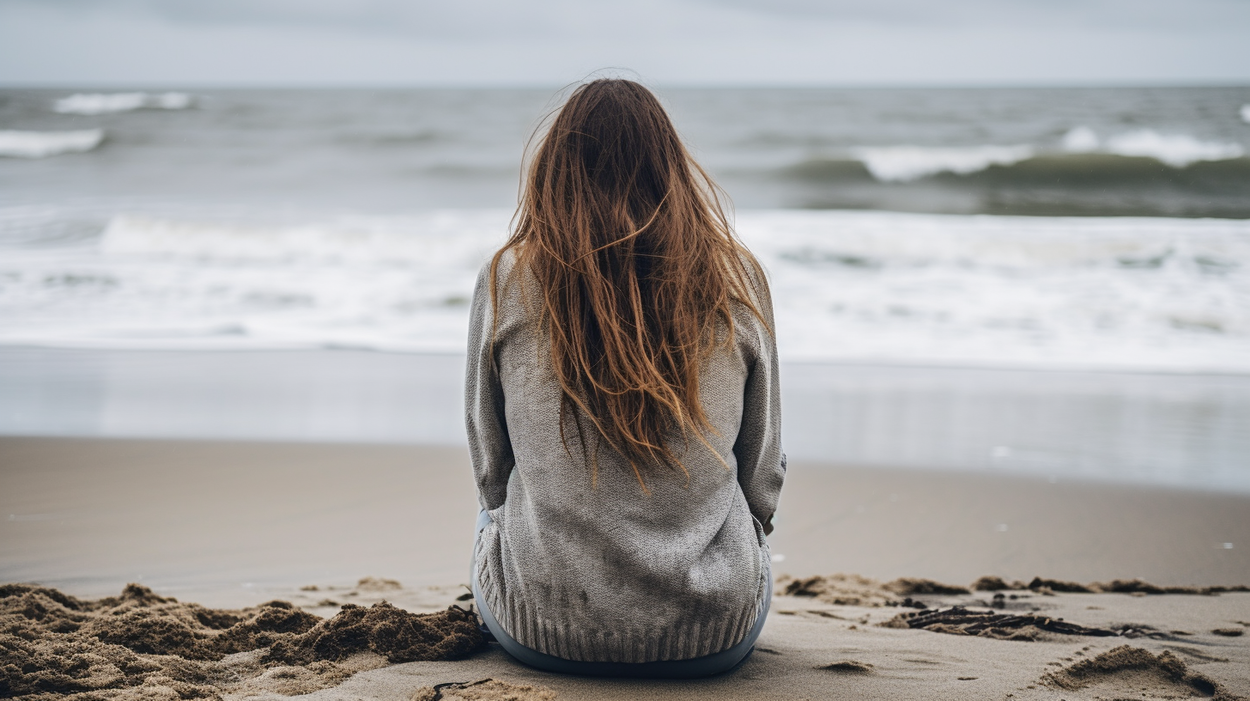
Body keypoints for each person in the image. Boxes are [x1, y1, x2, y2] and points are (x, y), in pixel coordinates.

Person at [465, 78, 785, 678]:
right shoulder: (738, 275)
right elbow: (760, 470)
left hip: (542, 633)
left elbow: (490, 462)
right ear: (670, 167)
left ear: (556, 170)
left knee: (497, 509)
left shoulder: (508, 274)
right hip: (714, 635)